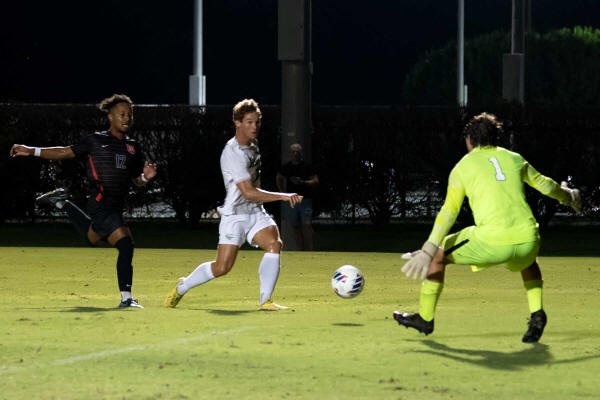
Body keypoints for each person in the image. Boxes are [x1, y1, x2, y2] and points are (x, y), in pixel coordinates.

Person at [394, 112, 581, 343]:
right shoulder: (514, 158)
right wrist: (569, 196)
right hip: (529, 240)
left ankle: (425, 318)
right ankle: (537, 314)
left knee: (437, 256)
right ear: (495, 137)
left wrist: (428, 249)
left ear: (469, 139)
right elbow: (546, 185)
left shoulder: (463, 166)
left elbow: (449, 212)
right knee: (528, 261)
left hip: (492, 242)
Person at [10, 94, 157, 309]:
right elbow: (64, 152)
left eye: (129, 114)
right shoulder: (95, 140)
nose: (127, 118)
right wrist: (32, 150)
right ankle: (127, 299)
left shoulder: (133, 147)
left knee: (92, 238)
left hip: (115, 207)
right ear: (110, 116)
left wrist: (145, 177)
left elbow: (135, 182)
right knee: (126, 244)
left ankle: (62, 202)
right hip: (100, 204)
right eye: (122, 114)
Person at [164, 99, 302, 310]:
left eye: (257, 122)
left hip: (255, 211)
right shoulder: (233, 152)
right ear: (238, 122)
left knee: (274, 243)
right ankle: (183, 286)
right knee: (222, 267)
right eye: (249, 122)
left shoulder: (253, 145)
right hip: (235, 216)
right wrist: (284, 196)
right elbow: (248, 192)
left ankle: (265, 301)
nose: (254, 126)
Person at [276, 143, 319, 251]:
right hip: (292, 200)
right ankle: (301, 250)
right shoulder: (287, 167)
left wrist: (304, 182)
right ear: (290, 153)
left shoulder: (307, 166)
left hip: (305, 199)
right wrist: (282, 192)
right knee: (295, 226)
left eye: (297, 152)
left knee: (307, 226)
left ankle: (310, 249)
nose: (295, 154)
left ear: (300, 153)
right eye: (293, 152)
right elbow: (279, 177)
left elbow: (315, 180)